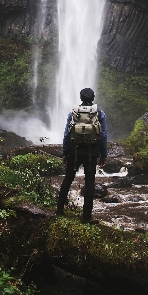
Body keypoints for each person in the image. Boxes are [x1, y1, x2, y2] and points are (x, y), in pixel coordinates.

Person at [56, 87, 107, 223]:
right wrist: (104, 156)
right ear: (93, 98)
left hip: (75, 151)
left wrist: (65, 152)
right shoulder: (100, 114)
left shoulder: (73, 113)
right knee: (90, 183)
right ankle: (86, 217)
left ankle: (59, 209)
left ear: (80, 98)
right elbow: (103, 135)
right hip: (92, 152)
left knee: (68, 179)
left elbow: (67, 134)